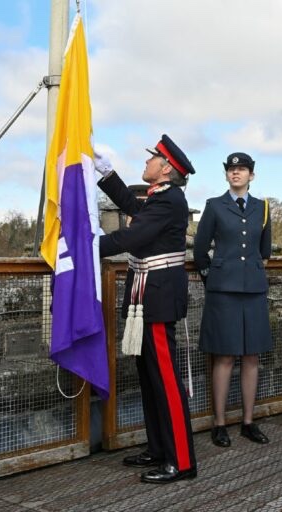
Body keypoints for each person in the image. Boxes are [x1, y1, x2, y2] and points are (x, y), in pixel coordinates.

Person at [93, 134, 197, 484]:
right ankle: (158, 448)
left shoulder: (169, 201)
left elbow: (131, 238)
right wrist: (106, 174)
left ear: (165, 168)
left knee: (166, 381)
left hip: (158, 296)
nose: (148, 161)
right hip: (145, 294)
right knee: (150, 377)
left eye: (153, 158)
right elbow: (134, 208)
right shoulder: (160, 198)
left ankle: (181, 460)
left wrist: (85, 247)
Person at [193, 152, 273, 448]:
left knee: (252, 356)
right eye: (231, 169)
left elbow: (264, 251)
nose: (236, 173)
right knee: (224, 356)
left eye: (241, 169)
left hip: (253, 289)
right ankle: (219, 423)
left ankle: (249, 421)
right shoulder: (214, 206)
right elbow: (200, 249)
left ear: (251, 175)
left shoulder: (263, 207)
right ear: (226, 175)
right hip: (222, 291)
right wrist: (212, 278)